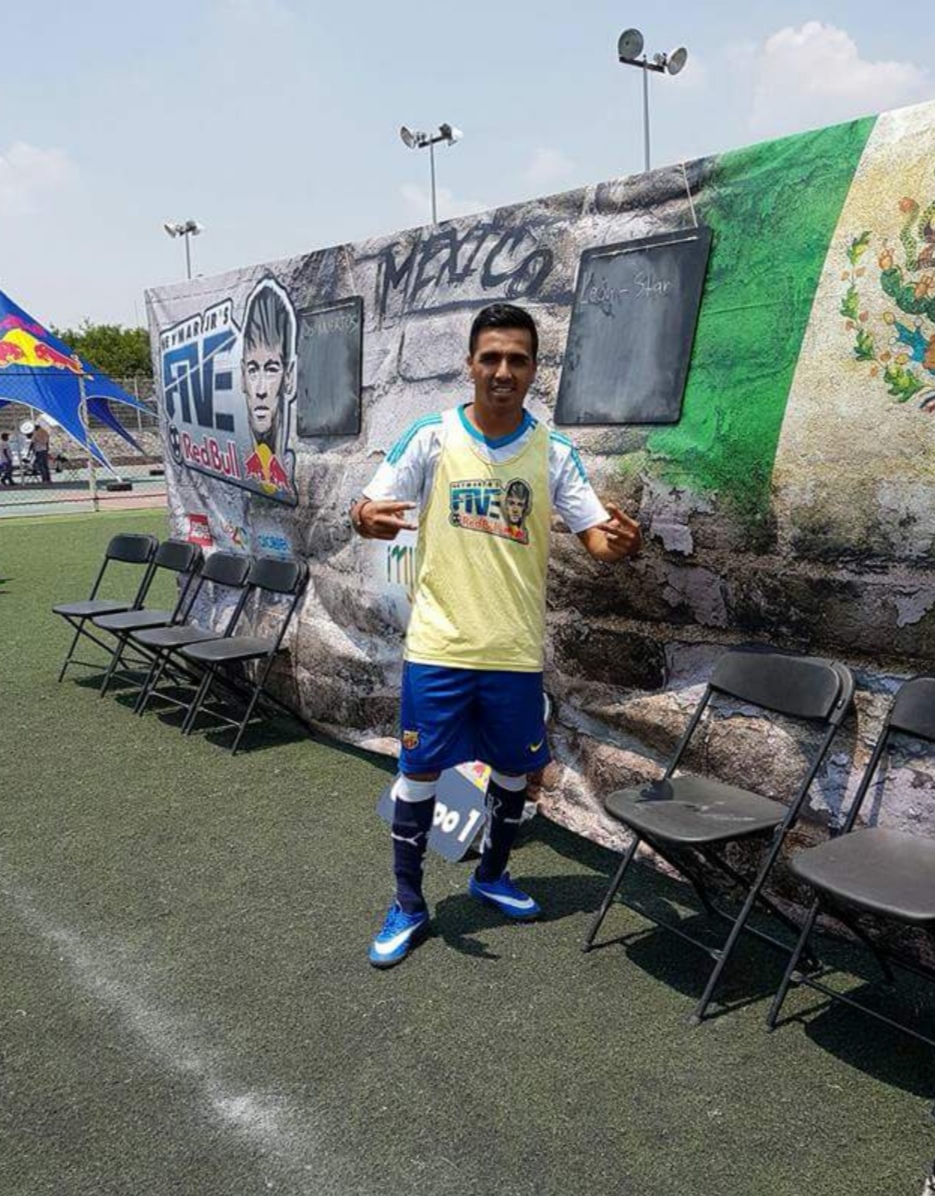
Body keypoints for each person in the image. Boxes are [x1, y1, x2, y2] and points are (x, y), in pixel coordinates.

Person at [351, 302, 642, 968]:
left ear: (534, 369)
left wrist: (623, 545)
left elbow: (597, 538)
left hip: (513, 653)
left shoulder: (552, 453)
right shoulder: (430, 437)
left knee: (516, 773)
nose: (502, 371)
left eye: (517, 359)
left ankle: (491, 876)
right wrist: (363, 515)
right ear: (470, 365)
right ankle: (408, 905)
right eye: (491, 358)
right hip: (439, 649)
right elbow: (367, 506)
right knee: (418, 773)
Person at [240, 279, 296, 499]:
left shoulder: (294, 468)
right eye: (253, 370)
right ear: (242, 376)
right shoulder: (240, 475)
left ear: (288, 377)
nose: (261, 390)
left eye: (271, 369)